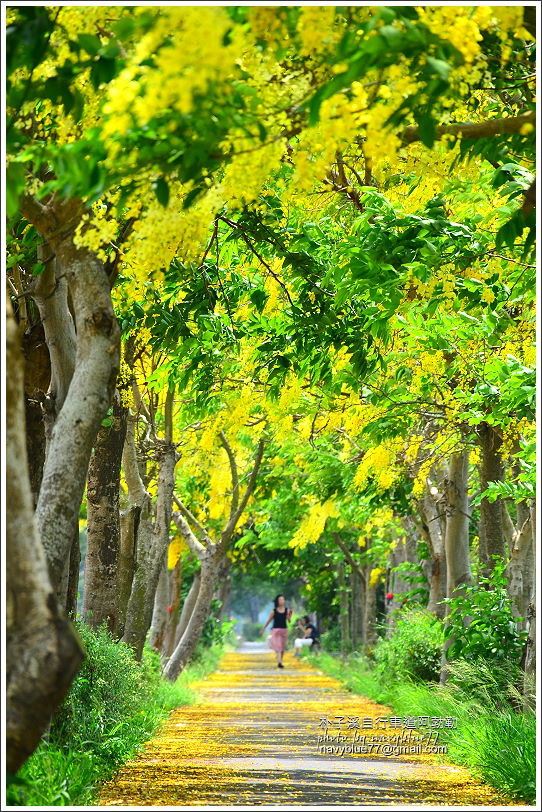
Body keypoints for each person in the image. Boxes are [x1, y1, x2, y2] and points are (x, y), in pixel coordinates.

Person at [260, 594, 292, 668]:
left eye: (283, 600)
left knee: (282, 648)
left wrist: (289, 616)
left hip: (284, 630)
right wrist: (263, 629)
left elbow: (289, 621)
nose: (282, 601)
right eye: (280, 600)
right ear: (277, 601)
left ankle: (280, 660)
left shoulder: (287, 610)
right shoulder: (274, 611)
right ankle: (279, 662)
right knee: (278, 646)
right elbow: (268, 621)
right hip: (276, 631)